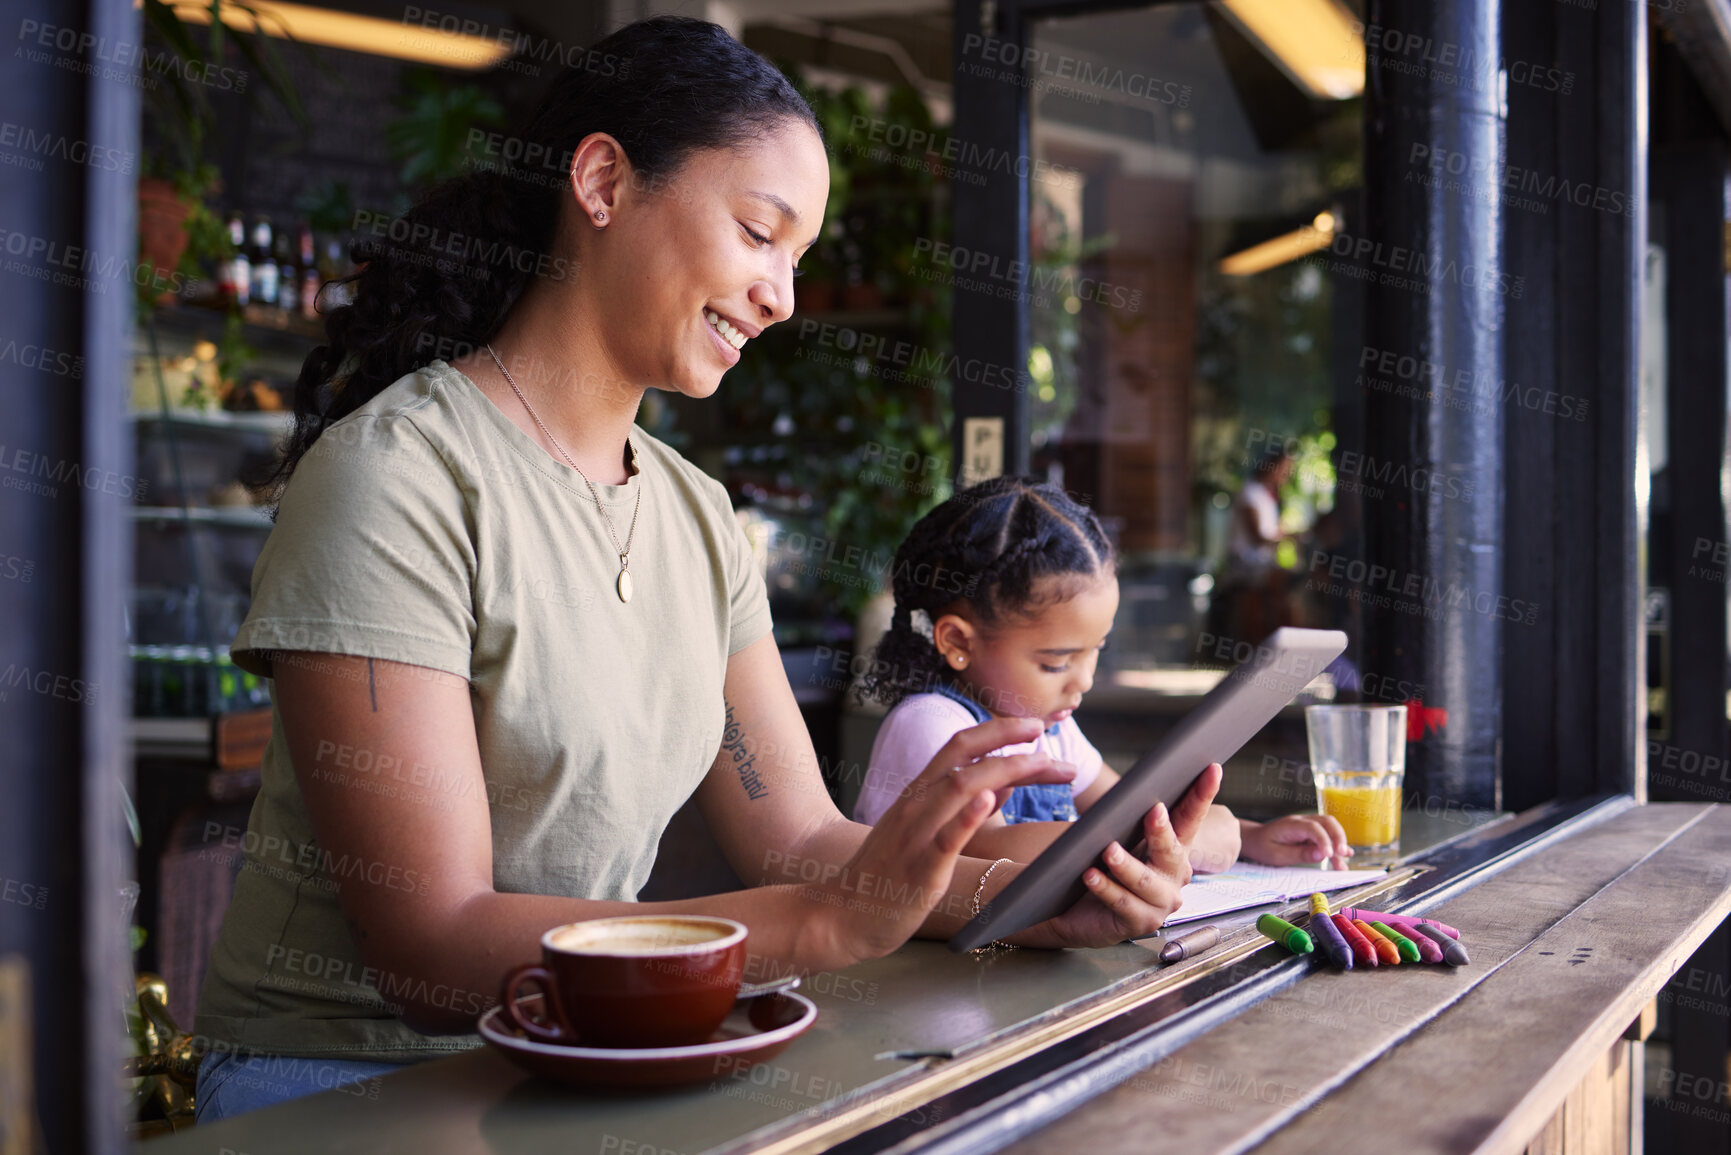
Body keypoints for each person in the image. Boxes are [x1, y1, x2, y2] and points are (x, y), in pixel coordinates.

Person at [191, 18, 1218, 1122]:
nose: (782, 295)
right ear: (602, 182)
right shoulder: (397, 479)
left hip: (593, 1060)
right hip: (344, 1087)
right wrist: (826, 928)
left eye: (800, 260)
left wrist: (1032, 899)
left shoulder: (694, 517)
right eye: (759, 233)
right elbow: (430, 949)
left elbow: (805, 839)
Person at [853, 477, 1353, 872]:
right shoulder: (933, 725)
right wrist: (1169, 836)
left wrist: (1250, 835)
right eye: (1055, 662)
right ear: (958, 642)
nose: (1084, 681)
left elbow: (1124, 808)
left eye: (1097, 651)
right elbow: (990, 853)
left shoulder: (1052, 728)